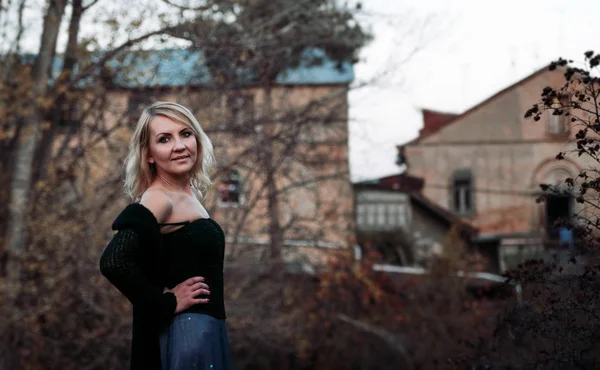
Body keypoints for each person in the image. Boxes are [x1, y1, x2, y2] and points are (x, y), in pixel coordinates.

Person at [99, 101, 233, 370]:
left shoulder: (189, 194)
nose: (180, 145)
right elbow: (114, 261)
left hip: (206, 330)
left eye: (185, 133)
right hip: (187, 334)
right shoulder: (159, 198)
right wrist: (167, 302)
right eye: (164, 139)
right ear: (148, 154)